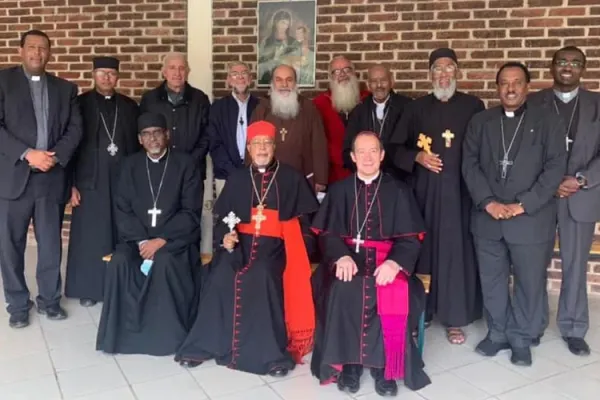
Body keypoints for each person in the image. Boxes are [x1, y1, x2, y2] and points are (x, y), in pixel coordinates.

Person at [176, 120, 318, 377]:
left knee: (261, 274)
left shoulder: (291, 177)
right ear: (249, 149)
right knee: (220, 274)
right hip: (240, 244)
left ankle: (271, 355)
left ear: (274, 147)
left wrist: (299, 245)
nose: (262, 148)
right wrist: (224, 238)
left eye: (267, 143)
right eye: (256, 143)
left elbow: (308, 223)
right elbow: (221, 219)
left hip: (277, 247)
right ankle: (204, 345)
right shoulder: (238, 178)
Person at [462, 62, 567, 366]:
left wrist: (525, 204)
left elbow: (555, 168)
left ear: (527, 86)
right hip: (488, 219)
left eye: (517, 82)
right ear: (497, 88)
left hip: (531, 219)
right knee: (492, 280)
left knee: (529, 281)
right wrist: (488, 202)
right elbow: (469, 165)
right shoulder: (481, 121)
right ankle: (497, 333)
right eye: (504, 83)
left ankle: (521, 337)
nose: (510, 88)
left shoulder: (548, 121)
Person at [311, 131, 431, 396]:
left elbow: (411, 237)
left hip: (386, 263)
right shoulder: (340, 190)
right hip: (347, 262)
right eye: (361, 152)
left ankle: (384, 368)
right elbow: (327, 233)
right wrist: (339, 256)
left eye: (373, 151)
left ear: (382, 155)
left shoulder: (399, 190)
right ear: (353, 157)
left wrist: (395, 263)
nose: (367, 157)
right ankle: (349, 365)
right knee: (343, 290)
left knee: (390, 291)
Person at [389, 48, 486, 344]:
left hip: (461, 194)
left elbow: (485, 148)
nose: (443, 74)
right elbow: (394, 149)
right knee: (424, 252)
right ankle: (422, 312)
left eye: (449, 68)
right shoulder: (416, 109)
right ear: (430, 75)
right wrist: (417, 156)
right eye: (437, 69)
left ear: (457, 72)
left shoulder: (473, 106)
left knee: (457, 254)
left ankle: (455, 318)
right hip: (425, 196)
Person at [96, 112, 202, 356]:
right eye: (146, 134)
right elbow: (121, 208)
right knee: (120, 262)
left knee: (165, 261)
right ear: (139, 139)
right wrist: (143, 241)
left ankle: (166, 337)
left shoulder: (186, 165)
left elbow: (191, 211)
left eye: (157, 133)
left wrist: (161, 240)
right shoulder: (128, 165)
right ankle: (120, 337)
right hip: (136, 240)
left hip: (174, 240)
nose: (152, 138)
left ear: (167, 135)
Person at [0, 29, 82, 328]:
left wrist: (54, 157)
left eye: (43, 48)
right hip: (13, 179)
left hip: (50, 178)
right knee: (10, 246)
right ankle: (18, 304)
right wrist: (27, 153)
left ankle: (50, 300)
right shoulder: (3, 81)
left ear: (50, 53)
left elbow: (75, 130)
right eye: (32, 47)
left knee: (50, 244)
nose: (37, 53)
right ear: (21, 50)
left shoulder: (65, 88)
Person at [528, 46, 600, 356]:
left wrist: (582, 179)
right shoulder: (534, 103)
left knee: (575, 264)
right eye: (561, 61)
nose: (567, 67)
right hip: (542, 196)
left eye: (574, 62)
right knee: (533, 263)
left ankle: (573, 327)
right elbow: (525, 150)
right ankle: (532, 324)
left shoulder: (597, 104)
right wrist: (549, 182)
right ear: (552, 66)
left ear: (583, 68)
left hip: (581, 195)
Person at [65, 56, 140, 308]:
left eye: (111, 73)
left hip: (123, 181)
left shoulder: (129, 106)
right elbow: (69, 146)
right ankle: (89, 289)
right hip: (89, 181)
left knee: (121, 231)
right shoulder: (80, 104)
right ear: (93, 75)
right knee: (91, 236)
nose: (106, 77)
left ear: (117, 76)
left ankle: (121, 285)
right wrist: (70, 184)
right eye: (101, 73)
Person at [251, 64, 328, 192]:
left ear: (295, 83)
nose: (284, 84)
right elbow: (251, 145)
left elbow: (318, 144)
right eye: (279, 80)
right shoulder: (261, 110)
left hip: (302, 178)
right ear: (272, 83)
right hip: (268, 179)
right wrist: (252, 175)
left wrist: (320, 178)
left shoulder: (309, 108)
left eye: (289, 80)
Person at [140, 52, 210, 192]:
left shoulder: (200, 99)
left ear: (188, 72)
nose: (177, 73)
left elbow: (207, 134)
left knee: (190, 211)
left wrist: (190, 161)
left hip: (192, 169)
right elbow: (144, 134)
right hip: (158, 169)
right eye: (172, 68)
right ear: (164, 72)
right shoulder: (150, 99)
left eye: (182, 68)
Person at [343, 64, 412, 177]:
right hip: (367, 176)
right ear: (368, 85)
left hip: (399, 177)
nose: (379, 85)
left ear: (392, 81)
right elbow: (348, 147)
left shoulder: (407, 107)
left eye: (383, 80)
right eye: (374, 81)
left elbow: (412, 146)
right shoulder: (359, 110)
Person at [313, 56, 369, 184]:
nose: (342, 74)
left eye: (346, 70)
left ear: (354, 73)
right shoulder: (319, 104)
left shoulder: (367, 100)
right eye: (336, 71)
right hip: (333, 174)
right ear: (330, 77)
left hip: (366, 170)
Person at [208, 61, 259, 197]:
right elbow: (214, 143)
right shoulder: (217, 108)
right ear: (229, 80)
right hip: (226, 176)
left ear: (250, 79)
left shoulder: (261, 107)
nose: (240, 77)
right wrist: (232, 171)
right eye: (235, 74)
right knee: (228, 217)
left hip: (256, 175)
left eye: (244, 73)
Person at [257, 10, 301, 85]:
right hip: (268, 79)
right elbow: (260, 65)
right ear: (276, 22)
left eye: (287, 24)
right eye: (283, 22)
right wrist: (275, 58)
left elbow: (297, 65)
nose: (285, 26)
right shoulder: (266, 42)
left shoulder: (293, 42)